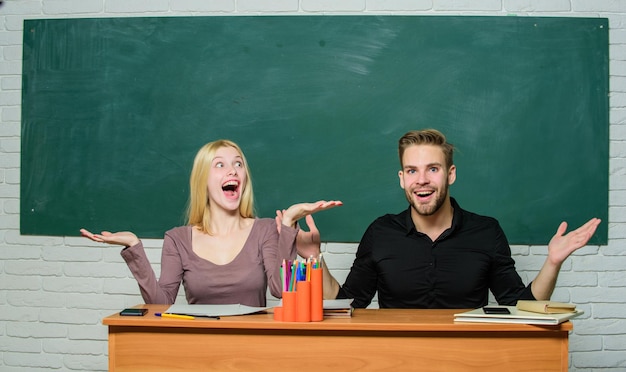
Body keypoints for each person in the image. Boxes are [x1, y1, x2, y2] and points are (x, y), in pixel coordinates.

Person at [295, 129, 600, 309]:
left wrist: (553, 262)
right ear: (402, 179)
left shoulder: (486, 231)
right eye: (412, 171)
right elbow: (348, 304)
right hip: (395, 358)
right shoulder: (380, 232)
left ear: (450, 174)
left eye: (433, 169)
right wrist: (314, 259)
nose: (422, 180)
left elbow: (520, 307)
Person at [81, 139, 341, 307]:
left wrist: (287, 224)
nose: (233, 171)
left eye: (238, 164)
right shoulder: (177, 239)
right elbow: (161, 304)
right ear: (202, 181)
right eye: (220, 165)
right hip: (197, 352)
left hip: (254, 352)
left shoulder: (263, 230)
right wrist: (134, 247)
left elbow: (280, 291)